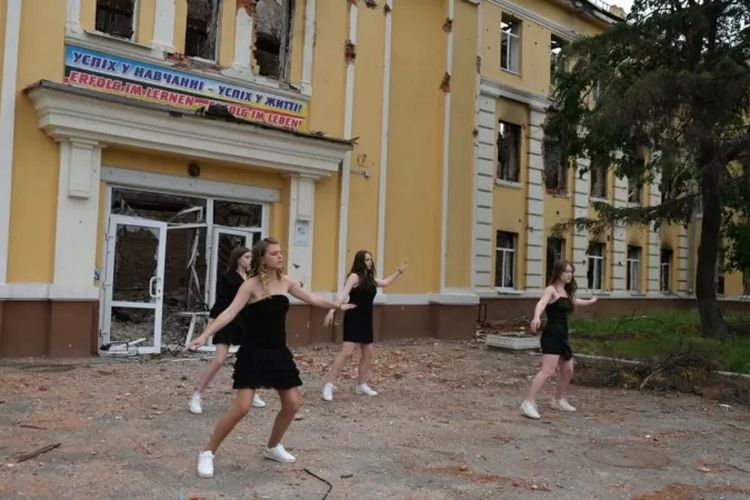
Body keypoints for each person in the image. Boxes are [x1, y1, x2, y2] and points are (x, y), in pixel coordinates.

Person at [186, 238, 355, 478]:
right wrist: (204, 335)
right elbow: (229, 313)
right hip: (253, 351)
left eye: (280, 252)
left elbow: (313, 299)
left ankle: (273, 446)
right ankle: (207, 452)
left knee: (292, 404)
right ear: (262, 258)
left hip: (278, 351)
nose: (280, 256)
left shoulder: (286, 282)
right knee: (242, 406)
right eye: (274, 253)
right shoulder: (251, 285)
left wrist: (337, 306)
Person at [321, 250, 407, 402]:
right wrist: (332, 311)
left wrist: (398, 272)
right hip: (354, 317)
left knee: (368, 353)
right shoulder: (354, 277)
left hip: (366, 319)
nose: (370, 262)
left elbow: (385, 283)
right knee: (346, 353)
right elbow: (343, 295)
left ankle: (361, 385)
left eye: (371, 260)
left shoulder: (370, 278)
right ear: (360, 261)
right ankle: (328, 385)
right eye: (367, 259)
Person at [189, 246, 265, 414]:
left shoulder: (252, 278)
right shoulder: (228, 277)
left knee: (250, 358)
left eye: (251, 257)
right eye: (246, 257)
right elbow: (220, 303)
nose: (250, 260)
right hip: (228, 322)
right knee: (219, 360)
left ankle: (251, 393)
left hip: (247, 322)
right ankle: (196, 395)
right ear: (238, 259)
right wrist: (208, 330)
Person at [520, 260, 598, 420]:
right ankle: (528, 402)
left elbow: (575, 301)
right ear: (558, 272)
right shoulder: (551, 290)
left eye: (572, 272)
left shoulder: (567, 292)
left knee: (568, 370)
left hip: (563, 335)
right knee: (547, 370)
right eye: (567, 271)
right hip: (552, 334)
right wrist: (536, 317)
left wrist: (590, 301)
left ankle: (558, 400)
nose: (570, 274)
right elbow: (541, 303)